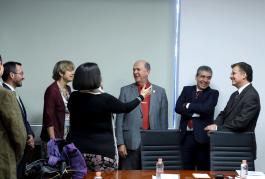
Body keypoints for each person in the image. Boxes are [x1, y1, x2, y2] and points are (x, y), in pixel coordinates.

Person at [66, 62, 151, 171]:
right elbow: (125, 108)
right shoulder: (105, 99)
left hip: (76, 151)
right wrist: (141, 96)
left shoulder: (73, 97)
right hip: (100, 154)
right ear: (96, 78)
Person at [116, 59, 168, 170]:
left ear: (147, 71)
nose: (135, 72)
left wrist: (163, 144)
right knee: (129, 177)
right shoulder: (125, 91)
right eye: (133, 69)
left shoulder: (160, 92)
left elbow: (163, 122)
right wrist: (120, 143)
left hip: (152, 143)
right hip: (130, 143)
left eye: (138, 69)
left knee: (150, 175)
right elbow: (119, 119)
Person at [175, 66, 219, 170]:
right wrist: (195, 113)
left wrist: (188, 105)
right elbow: (178, 108)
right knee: (185, 171)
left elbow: (206, 109)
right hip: (185, 137)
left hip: (203, 138)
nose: (205, 80)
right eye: (202, 76)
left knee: (202, 172)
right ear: (196, 77)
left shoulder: (213, 93)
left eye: (208, 77)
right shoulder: (187, 90)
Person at [204, 62, 260, 132]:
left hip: (239, 142)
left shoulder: (251, 96)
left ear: (244, 75)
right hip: (227, 139)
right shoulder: (234, 94)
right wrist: (215, 125)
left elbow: (241, 123)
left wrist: (217, 128)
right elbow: (224, 114)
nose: (230, 76)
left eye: (233, 73)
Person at [2, 61, 35, 179]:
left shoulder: (14, 94)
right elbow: (12, 125)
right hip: (13, 150)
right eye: (21, 73)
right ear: (11, 75)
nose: (23, 77)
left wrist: (30, 134)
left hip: (22, 148)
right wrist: (23, 142)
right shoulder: (5, 95)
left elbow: (22, 118)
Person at [40, 60, 75, 146]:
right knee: (53, 159)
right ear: (60, 73)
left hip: (65, 135)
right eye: (69, 70)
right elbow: (48, 116)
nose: (73, 72)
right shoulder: (52, 90)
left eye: (73, 70)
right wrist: (53, 140)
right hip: (54, 138)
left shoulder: (68, 88)